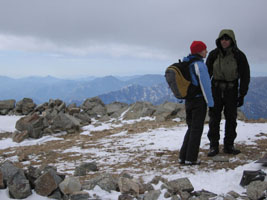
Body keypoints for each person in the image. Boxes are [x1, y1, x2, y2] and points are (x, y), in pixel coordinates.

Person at [206, 29, 250, 157]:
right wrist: (206, 91)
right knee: (214, 118)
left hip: (231, 90)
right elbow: (207, 73)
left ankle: (229, 145)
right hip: (216, 89)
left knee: (231, 118)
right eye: (222, 39)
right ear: (219, 40)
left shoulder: (239, 55)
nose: (224, 41)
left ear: (232, 40)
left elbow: (245, 75)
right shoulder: (214, 54)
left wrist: (242, 94)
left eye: (227, 39)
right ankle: (214, 146)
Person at [179, 41, 214, 165]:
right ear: (199, 51)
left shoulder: (187, 63)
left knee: (191, 128)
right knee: (197, 129)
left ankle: (183, 157)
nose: (207, 51)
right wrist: (210, 103)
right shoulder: (199, 65)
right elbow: (206, 86)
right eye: (205, 49)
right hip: (198, 101)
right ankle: (191, 158)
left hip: (188, 101)